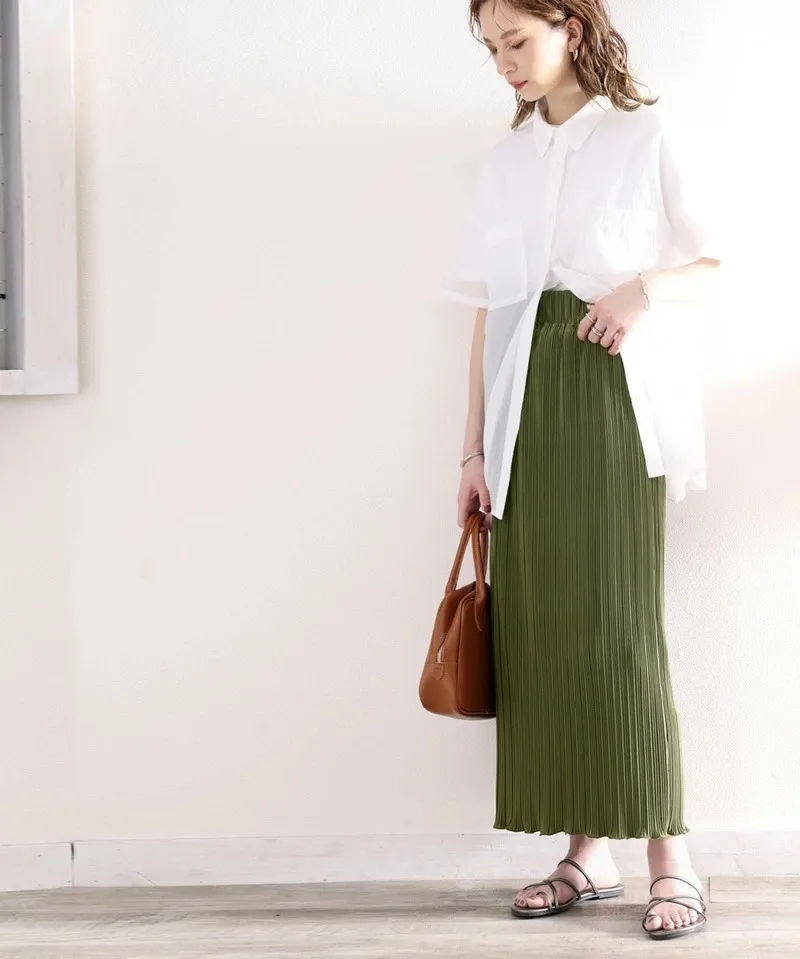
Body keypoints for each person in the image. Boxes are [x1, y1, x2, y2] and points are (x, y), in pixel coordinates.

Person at [439, 0, 722, 943]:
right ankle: (586, 852)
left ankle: (672, 858)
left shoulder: (646, 135)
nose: (505, 63)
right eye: (492, 48)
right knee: (545, 630)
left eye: (517, 41)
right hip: (524, 403)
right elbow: (492, 310)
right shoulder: (508, 161)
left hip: (613, 395)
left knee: (618, 626)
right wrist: (474, 448)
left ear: (572, 25)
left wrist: (641, 289)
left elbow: (718, 258)